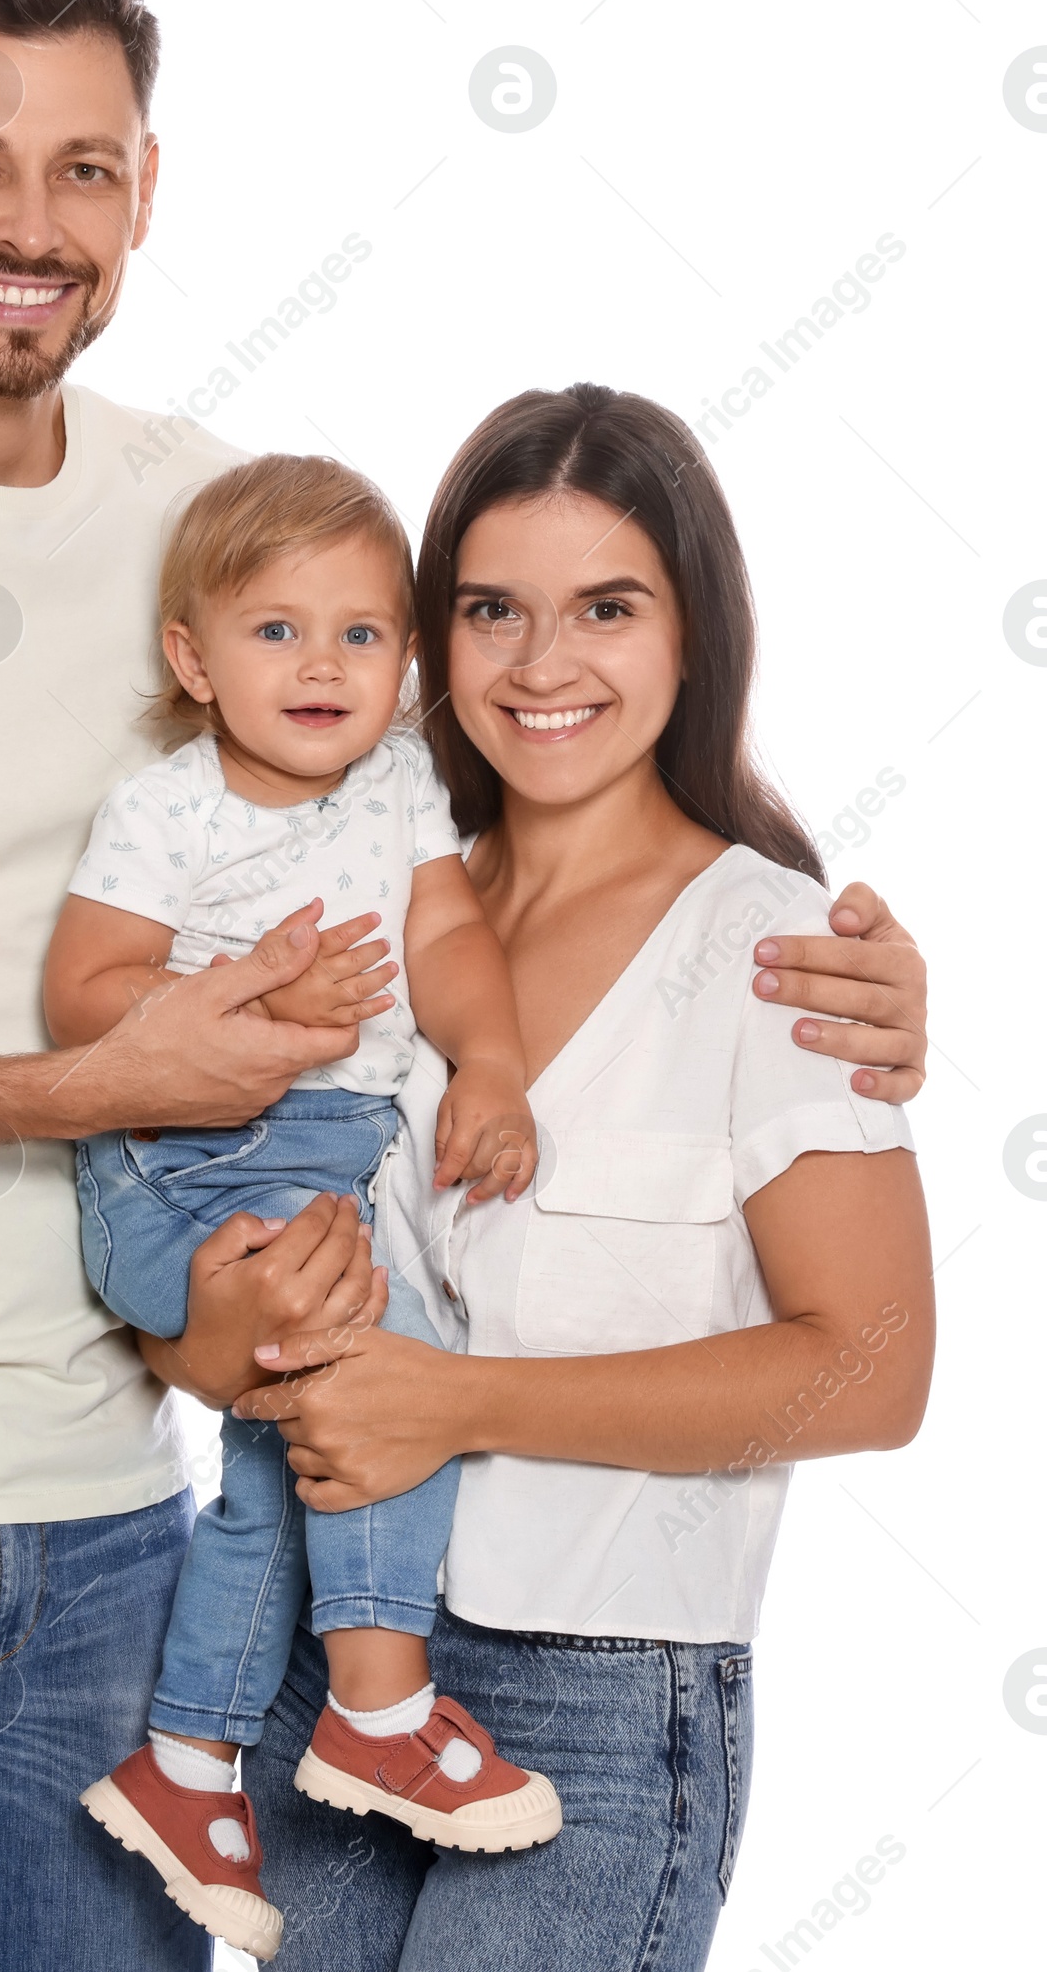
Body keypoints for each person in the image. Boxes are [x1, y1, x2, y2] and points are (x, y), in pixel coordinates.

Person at [0, 0, 928, 1972]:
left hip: (118, 1516)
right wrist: (95, 1083)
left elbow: (478, 771)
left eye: (81, 166)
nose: (29, 220)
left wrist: (834, 951)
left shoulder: (212, 523)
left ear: (143, 193)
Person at [164, 383, 930, 1970]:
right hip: (332, 1663)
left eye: (607, 607)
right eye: (493, 608)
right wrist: (220, 1327)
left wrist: (461, 1401)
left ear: (692, 632)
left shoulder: (775, 954)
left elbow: (872, 1365)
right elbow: (182, 1212)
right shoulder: (361, 901)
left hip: (600, 1686)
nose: (543, 664)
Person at [47, 454, 557, 1960]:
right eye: (275, 632)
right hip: (183, 1153)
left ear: (405, 662)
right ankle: (379, 1702)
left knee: (282, 1468)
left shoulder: (399, 778)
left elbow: (450, 928)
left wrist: (499, 1060)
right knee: (371, 1346)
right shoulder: (168, 808)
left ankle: (193, 1760)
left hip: (318, 1151)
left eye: (361, 631)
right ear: (192, 661)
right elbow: (82, 993)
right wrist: (248, 994)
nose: (322, 665)